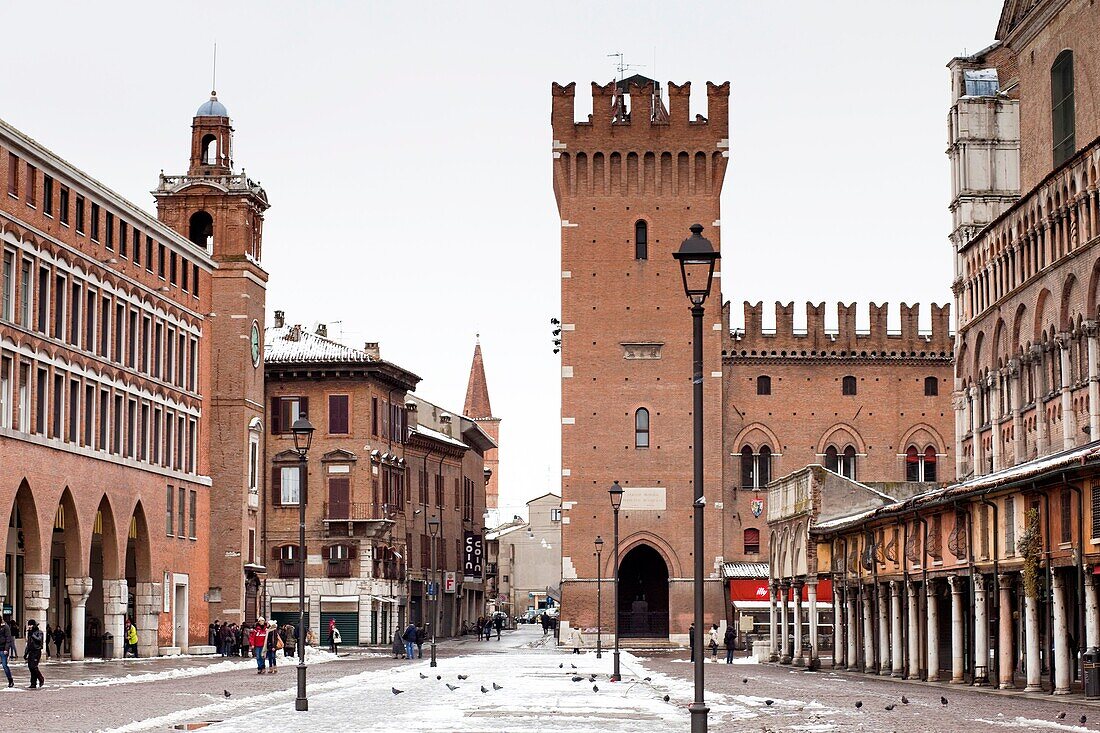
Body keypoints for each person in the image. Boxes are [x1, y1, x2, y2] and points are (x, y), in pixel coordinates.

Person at [24, 620, 44, 689]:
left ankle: (41, 678)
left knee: (34, 667)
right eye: (29, 625)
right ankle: (33, 683)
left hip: (37, 651)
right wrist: (26, 653)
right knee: (30, 667)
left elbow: (39, 640)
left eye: (31, 625)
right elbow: (28, 644)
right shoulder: (29, 633)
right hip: (31, 652)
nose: (29, 626)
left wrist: (32, 635)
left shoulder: (39, 632)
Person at [0, 616, 13, 687]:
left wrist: (6, 649)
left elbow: (8, 638)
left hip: (3, 649)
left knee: (4, 665)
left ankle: (10, 680)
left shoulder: (5, 627)